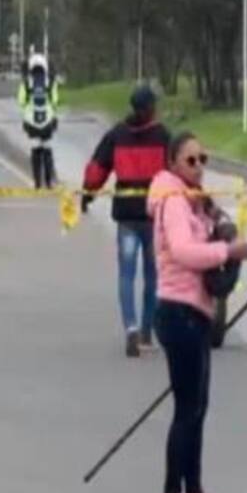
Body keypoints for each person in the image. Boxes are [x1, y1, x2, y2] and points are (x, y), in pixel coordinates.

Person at [146, 132, 247, 493]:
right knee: (186, 409)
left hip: (196, 311)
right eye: (190, 161)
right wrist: (228, 252)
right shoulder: (173, 202)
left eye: (203, 159)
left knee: (198, 407)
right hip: (177, 311)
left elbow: (215, 227)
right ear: (173, 163)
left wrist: (223, 230)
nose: (199, 167)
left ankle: (194, 491)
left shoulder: (195, 200)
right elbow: (183, 252)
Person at [82, 85, 170, 358]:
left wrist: (88, 193)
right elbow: (177, 171)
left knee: (127, 274)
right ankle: (146, 331)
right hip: (154, 217)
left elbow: (97, 168)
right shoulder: (162, 135)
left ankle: (130, 326)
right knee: (153, 275)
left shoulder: (117, 135)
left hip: (127, 217)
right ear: (150, 108)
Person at [18, 52, 60, 189]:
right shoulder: (50, 82)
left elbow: (21, 101)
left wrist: (28, 109)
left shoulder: (26, 83)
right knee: (47, 147)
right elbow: (55, 101)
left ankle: (37, 182)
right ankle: (49, 182)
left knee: (35, 148)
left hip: (31, 121)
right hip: (47, 120)